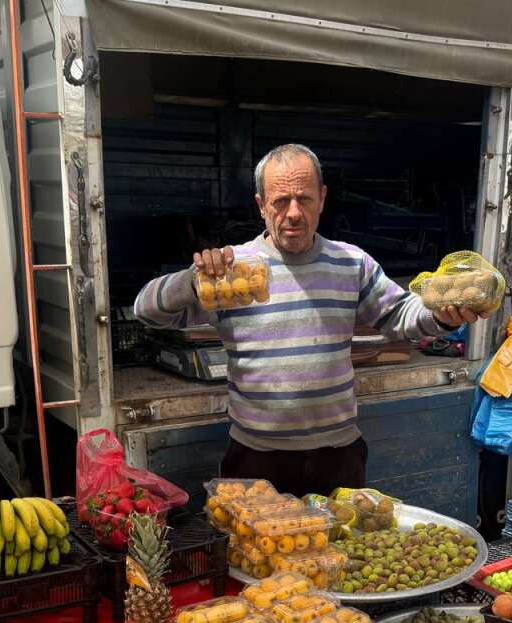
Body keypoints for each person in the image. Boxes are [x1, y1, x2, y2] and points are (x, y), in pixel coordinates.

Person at [133, 143, 489, 497]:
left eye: (304, 199)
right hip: (256, 459)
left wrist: (440, 316)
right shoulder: (232, 272)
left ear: (322, 198)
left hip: (338, 456)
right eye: (280, 201)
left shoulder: (351, 263)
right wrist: (191, 280)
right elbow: (146, 311)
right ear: (261, 205)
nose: (293, 213)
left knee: (348, 535)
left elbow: (398, 315)